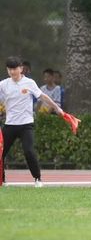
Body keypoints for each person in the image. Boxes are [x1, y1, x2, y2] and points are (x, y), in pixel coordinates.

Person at [1, 56, 64, 187]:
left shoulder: (29, 83)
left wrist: (57, 108)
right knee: (0, 152)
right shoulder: (3, 84)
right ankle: (2, 180)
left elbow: (42, 96)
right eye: (10, 69)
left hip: (26, 125)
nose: (12, 72)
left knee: (29, 151)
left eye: (15, 69)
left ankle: (37, 178)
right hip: (10, 125)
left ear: (21, 69)